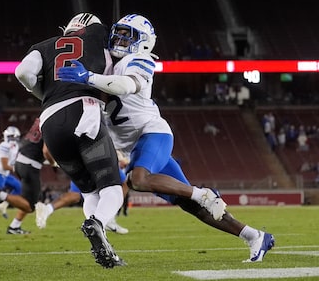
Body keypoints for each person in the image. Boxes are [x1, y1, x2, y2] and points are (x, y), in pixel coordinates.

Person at [58, 14, 275, 262]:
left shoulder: (140, 59)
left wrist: (88, 77)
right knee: (191, 206)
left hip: (153, 133)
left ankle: (201, 193)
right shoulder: (106, 62)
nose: (119, 38)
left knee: (138, 179)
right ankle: (254, 236)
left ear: (145, 42)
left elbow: (125, 86)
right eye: (117, 33)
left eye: (127, 35)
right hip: (135, 145)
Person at [14, 13, 125, 268]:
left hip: (49, 120)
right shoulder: (98, 34)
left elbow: (22, 72)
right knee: (112, 188)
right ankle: (97, 223)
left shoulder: (43, 46)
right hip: (83, 109)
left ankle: (104, 248)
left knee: (88, 191)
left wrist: (42, 93)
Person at [0, 118, 58, 234]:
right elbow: (46, 151)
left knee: (28, 199)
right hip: (29, 164)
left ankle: (14, 226)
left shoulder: (42, 119)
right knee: (30, 206)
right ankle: (0, 194)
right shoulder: (51, 122)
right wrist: (54, 163)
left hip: (22, 161)